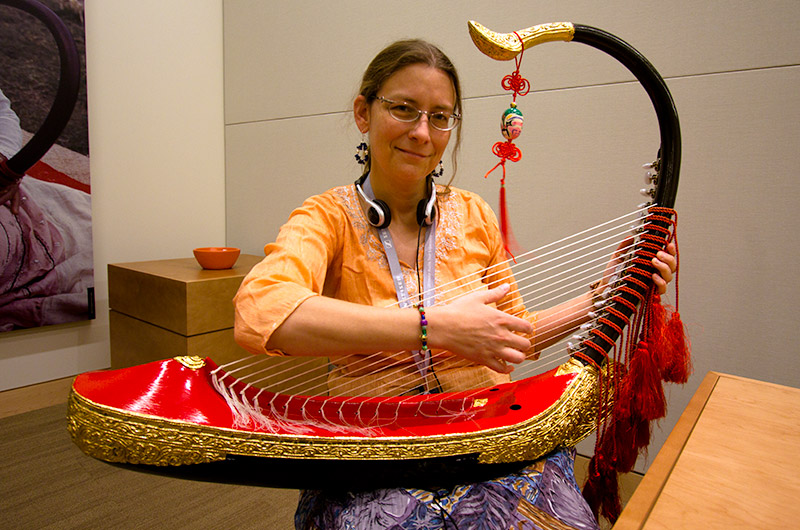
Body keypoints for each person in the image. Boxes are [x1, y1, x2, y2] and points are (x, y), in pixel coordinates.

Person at [234, 39, 676, 530]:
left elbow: (514, 337)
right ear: (363, 112)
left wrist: (608, 292)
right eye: (403, 109)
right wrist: (432, 327)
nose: (422, 132)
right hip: (373, 451)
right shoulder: (324, 218)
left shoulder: (472, 214)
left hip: (490, 436)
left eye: (440, 117)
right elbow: (260, 312)